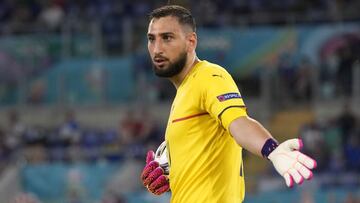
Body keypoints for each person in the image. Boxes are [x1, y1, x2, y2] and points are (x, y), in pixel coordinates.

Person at [140, 5, 317, 203]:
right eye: (151, 39)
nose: (157, 48)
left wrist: (272, 150)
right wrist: (171, 169)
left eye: (167, 38)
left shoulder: (209, 76)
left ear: (191, 42)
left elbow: (238, 122)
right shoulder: (185, 91)